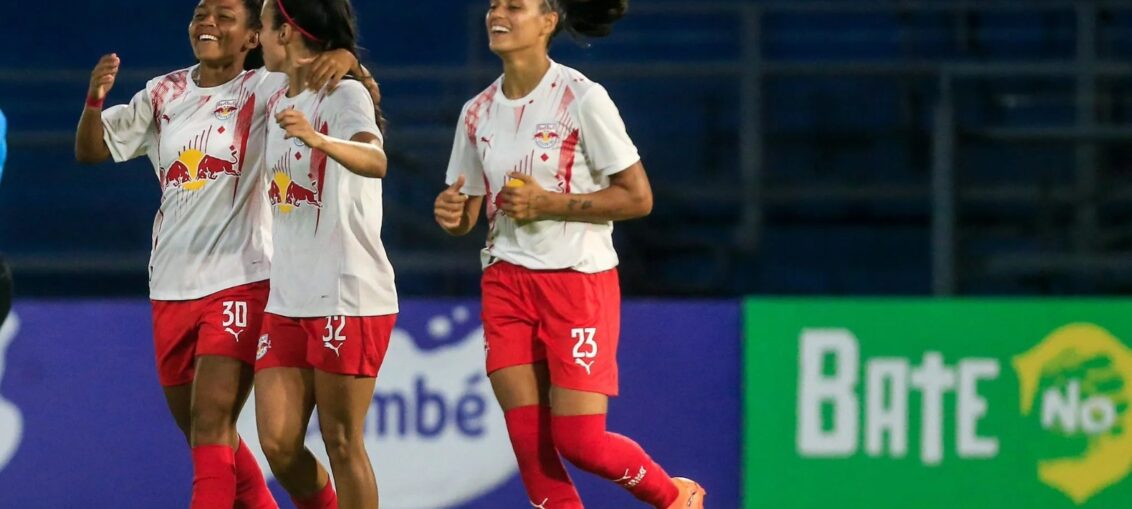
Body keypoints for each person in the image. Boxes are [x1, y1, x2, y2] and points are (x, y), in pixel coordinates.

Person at [73, 1, 363, 506]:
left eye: (224, 16)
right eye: (200, 13)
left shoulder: (265, 88)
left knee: (211, 419)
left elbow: (330, 75)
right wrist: (94, 102)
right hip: (169, 284)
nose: (207, 22)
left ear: (253, 37)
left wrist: (346, 57)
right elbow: (92, 149)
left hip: (239, 280)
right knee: (205, 434)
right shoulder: (163, 93)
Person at [433, 1, 705, 508]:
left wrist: (548, 204)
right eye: (494, 4)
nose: (498, 13)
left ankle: (674, 497)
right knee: (530, 445)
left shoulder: (582, 98)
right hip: (506, 283)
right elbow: (466, 209)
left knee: (580, 442)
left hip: (577, 282)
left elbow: (638, 198)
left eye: (515, 6)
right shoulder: (476, 112)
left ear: (548, 21)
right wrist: (451, 213)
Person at [254, 1, 395, 508]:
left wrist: (319, 139)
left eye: (262, 26)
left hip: (346, 292)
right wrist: (348, 54)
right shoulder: (275, 95)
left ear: (286, 33)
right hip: (288, 297)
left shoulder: (343, 94)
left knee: (341, 442)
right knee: (278, 443)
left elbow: (375, 158)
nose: (256, 37)